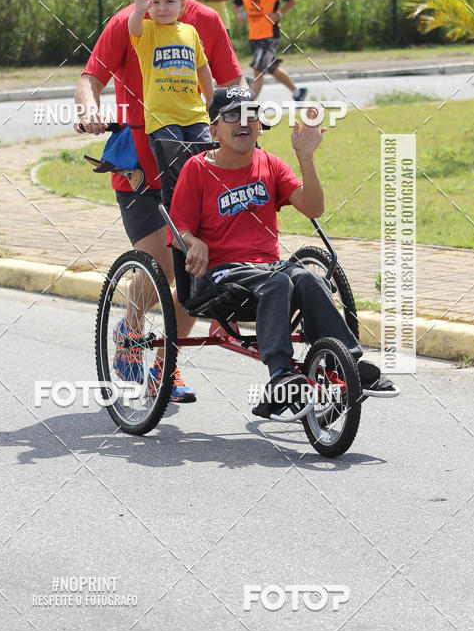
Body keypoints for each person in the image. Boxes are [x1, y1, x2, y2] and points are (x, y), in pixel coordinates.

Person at [74, 0, 245, 403]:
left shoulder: (205, 22)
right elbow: (91, 76)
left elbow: (231, 85)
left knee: (193, 260)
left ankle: (165, 367)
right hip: (139, 166)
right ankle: (131, 333)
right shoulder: (130, 23)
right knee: (161, 264)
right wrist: (89, 108)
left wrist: (238, 131)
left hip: (194, 159)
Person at [167, 86, 394, 418]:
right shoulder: (197, 169)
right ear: (213, 129)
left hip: (269, 267)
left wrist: (305, 156)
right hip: (222, 275)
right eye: (231, 115)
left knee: (307, 277)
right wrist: (193, 241)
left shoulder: (270, 164)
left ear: (260, 125)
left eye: (250, 114)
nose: (242, 122)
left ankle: (346, 362)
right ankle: (280, 375)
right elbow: (178, 230)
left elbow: (313, 207)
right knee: (280, 283)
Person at [128, 0, 214, 156]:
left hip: (195, 115)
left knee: (205, 163)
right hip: (163, 118)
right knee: (175, 169)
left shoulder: (190, 32)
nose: (162, 8)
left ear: (183, 5)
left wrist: (211, 98)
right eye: (155, 2)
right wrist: (139, 10)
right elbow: (133, 27)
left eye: (169, 1)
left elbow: (202, 67)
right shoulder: (147, 30)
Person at [233, 0, 307, 102]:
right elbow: (236, 3)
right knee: (272, 68)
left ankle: (248, 107)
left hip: (270, 35)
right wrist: (238, 14)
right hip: (254, 35)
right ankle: (298, 92)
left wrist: (279, 13)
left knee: (258, 71)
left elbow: (292, 0)